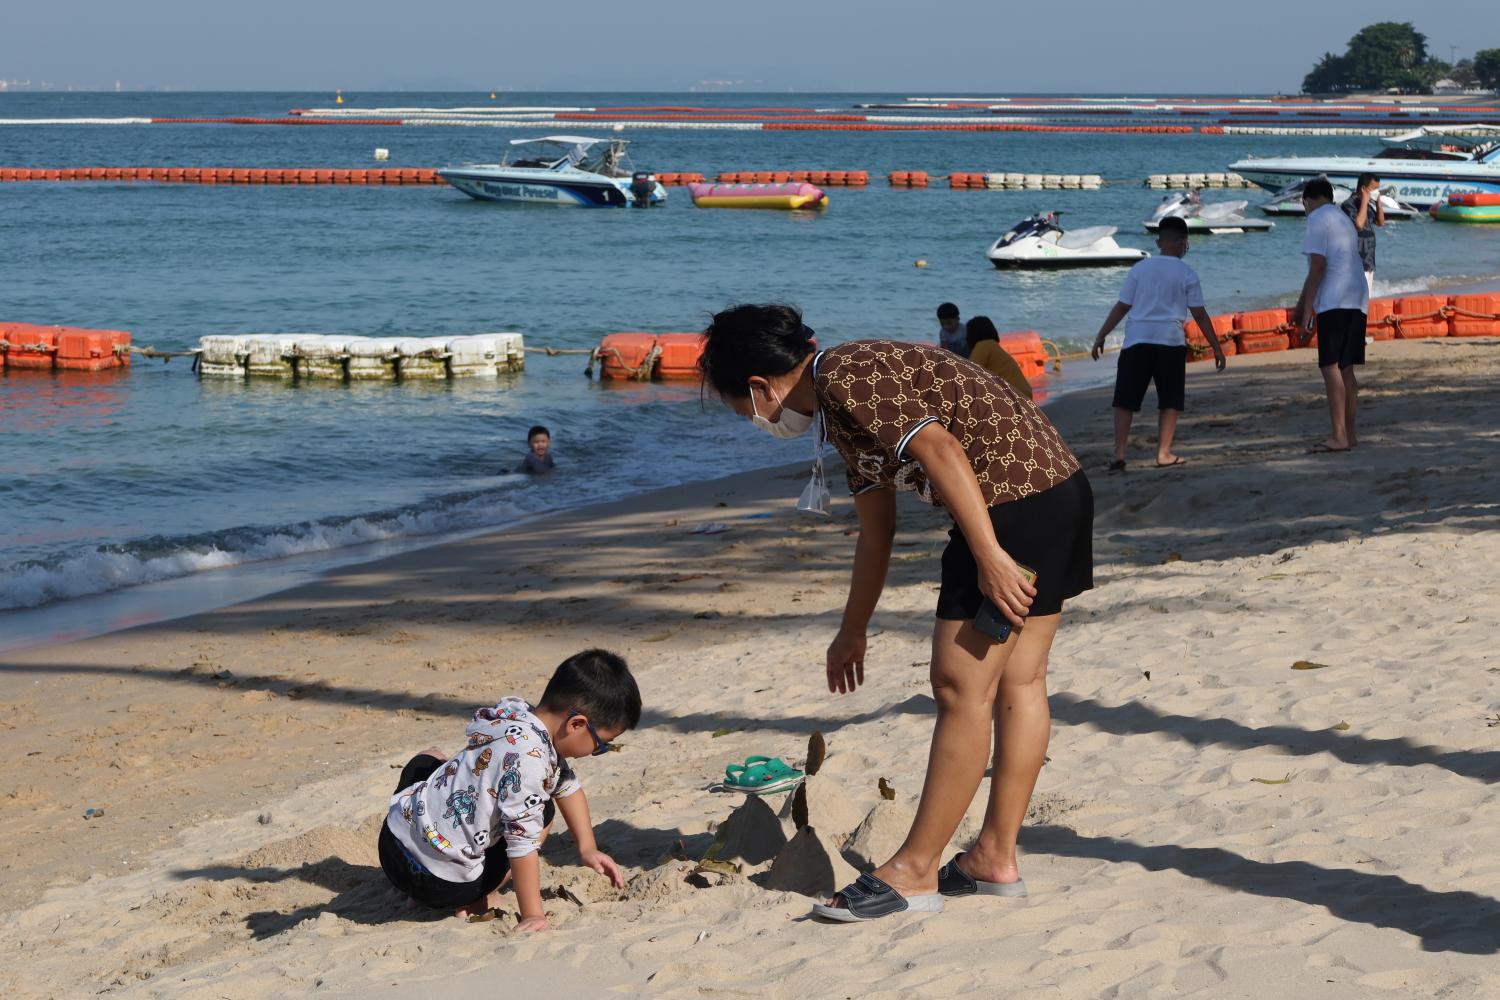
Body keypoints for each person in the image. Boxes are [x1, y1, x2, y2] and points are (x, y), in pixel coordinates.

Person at [698, 304, 1093, 922]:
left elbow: (938, 450)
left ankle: (913, 871)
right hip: (1057, 491)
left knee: (959, 690)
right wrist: (852, 629)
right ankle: (994, 856)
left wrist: (988, 554)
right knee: (1021, 681)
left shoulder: (845, 377)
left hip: (1008, 510)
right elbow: (876, 530)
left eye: (741, 407)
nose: (753, 419)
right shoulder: (842, 397)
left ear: (760, 386)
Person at [378, 649, 640, 929]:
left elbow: (568, 786)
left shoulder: (513, 716)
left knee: (428, 759)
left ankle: (415, 883)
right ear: (576, 724)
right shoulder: (530, 764)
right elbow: (522, 845)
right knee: (543, 811)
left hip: (391, 849)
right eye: (600, 745)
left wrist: (588, 848)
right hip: (443, 886)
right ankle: (476, 899)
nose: (594, 752)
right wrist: (533, 915)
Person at [1089, 215, 1225, 472]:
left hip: (1137, 341)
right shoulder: (1187, 273)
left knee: (1125, 400)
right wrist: (1216, 347)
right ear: (1184, 242)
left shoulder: (1139, 269)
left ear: (1158, 241)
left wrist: (1101, 336)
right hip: (1170, 343)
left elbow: (1122, 307)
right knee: (1170, 399)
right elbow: (1199, 314)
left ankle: (1119, 453)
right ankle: (1163, 453)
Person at [1294, 176, 1368, 453]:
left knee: (1330, 366)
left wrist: (1305, 317)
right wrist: (1302, 305)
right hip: (1357, 297)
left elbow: (1317, 268)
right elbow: (1318, 270)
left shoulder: (1316, 218)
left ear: (1307, 200)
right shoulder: (1341, 217)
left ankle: (1338, 436)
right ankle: (1350, 435)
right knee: (1346, 368)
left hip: (1336, 300)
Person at [964, 316, 1033, 399]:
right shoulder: (992, 345)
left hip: (1014, 396)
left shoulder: (983, 345)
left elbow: (970, 374)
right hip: (1023, 393)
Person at [1340, 173, 1384, 299]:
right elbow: (1358, 224)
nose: (1376, 192)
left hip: (1368, 262)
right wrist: (1365, 200)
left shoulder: (1368, 206)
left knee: (1365, 301)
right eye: (1374, 189)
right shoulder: (1348, 205)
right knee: (1355, 301)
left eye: (1377, 189)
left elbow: (1380, 222)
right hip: (1355, 263)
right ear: (1363, 189)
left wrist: (1378, 201)